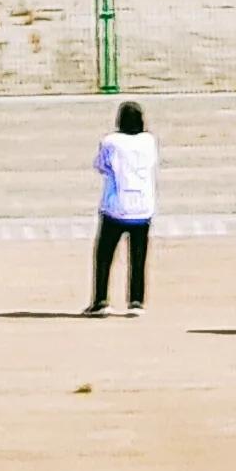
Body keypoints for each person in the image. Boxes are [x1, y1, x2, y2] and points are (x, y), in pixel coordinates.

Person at [87, 101, 158, 318]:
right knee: (138, 255)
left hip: (115, 206)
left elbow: (101, 165)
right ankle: (136, 300)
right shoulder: (149, 141)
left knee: (104, 254)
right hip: (143, 207)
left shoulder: (111, 141)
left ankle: (100, 300)